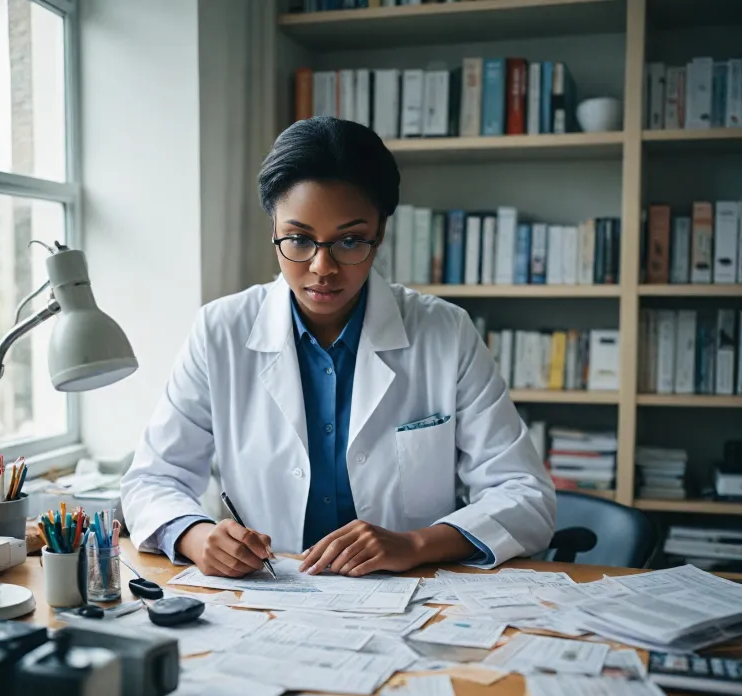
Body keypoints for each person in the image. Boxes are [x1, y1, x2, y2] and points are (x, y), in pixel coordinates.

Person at [121, 116, 555, 578]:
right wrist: (196, 535)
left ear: (379, 234)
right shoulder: (220, 330)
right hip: (269, 595)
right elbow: (152, 479)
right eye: (299, 239)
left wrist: (415, 544)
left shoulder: (445, 331)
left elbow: (524, 494)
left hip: (407, 594)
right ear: (274, 228)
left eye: (349, 241)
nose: (322, 268)